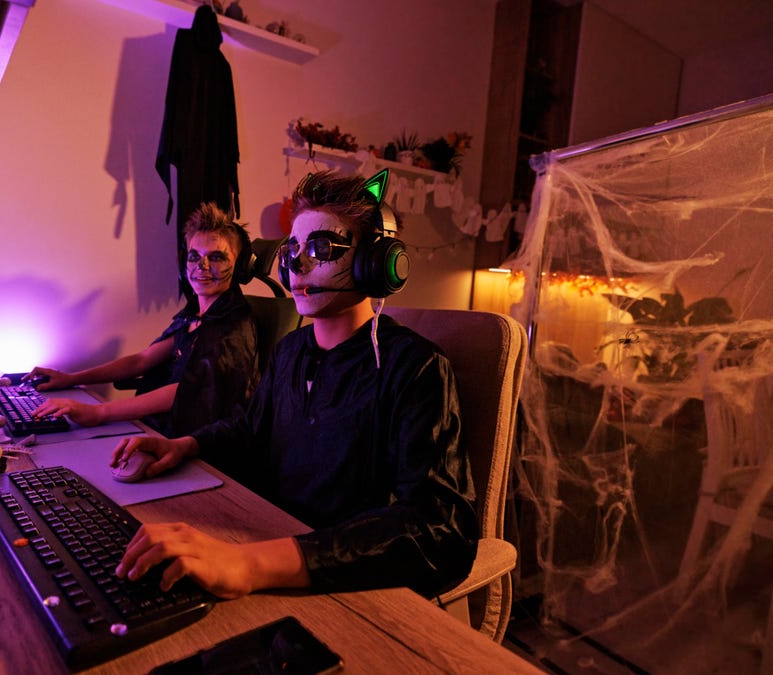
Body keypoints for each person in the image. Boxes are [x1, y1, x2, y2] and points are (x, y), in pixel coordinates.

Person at [110, 169, 478, 600]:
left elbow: (442, 528)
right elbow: (250, 430)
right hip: (264, 540)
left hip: (342, 581)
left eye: (321, 248)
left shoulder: (416, 367)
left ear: (375, 263)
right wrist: (184, 446)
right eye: (293, 249)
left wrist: (251, 564)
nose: (296, 264)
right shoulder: (291, 349)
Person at [27, 202, 259, 437]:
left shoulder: (233, 326)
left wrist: (99, 412)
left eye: (216, 257)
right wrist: (70, 379)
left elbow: (185, 391)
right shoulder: (194, 316)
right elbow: (141, 361)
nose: (202, 266)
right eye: (194, 256)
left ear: (239, 266)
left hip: (191, 441)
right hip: (161, 429)